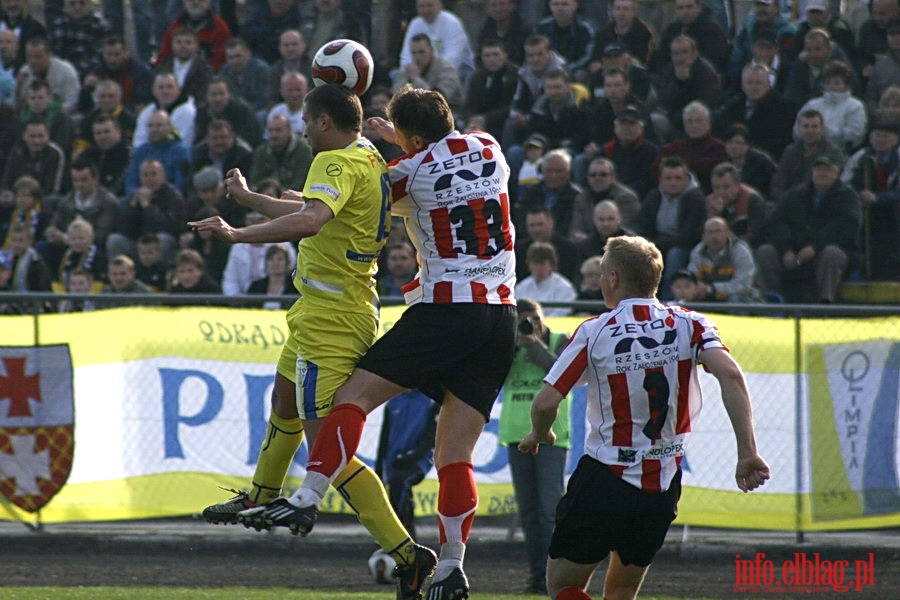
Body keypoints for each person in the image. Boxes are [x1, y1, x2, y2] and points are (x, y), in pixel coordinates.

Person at [234, 85, 517, 600]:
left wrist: (253, 204)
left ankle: (309, 493)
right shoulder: (488, 145)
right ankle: (452, 564)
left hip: (445, 310)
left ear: (407, 138)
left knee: (351, 400)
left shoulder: (404, 175)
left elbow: (349, 200)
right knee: (454, 455)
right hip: (501, 317)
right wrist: (404, 138)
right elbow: (441, 153)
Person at [189, 83, 435, 599]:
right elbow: (313, 207)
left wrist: (237, 232)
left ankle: (408, 554)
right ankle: (262, 493)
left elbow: (312, 217)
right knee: (283, 397)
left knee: (329, 447)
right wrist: (250, 198)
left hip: (334, 319)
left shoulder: (333, 162)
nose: (301, 130)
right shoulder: (366, 153)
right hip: (320, 309)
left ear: (324, 122)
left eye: (304, 120)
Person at [518, 234, 771, 600]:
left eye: (604, 273)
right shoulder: (691, 323)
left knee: (563, 585)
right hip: (661, 483)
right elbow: (731, 374)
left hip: (604, 476)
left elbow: (544, 403)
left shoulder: (594, 330)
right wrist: (747, 451)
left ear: (614, 279)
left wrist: (541, 433)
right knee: (621, 593)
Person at [498, 297, 570, 595]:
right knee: (529, 513)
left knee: (550, 509)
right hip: (517, 436)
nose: (530, 325)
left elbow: (561, 375)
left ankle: (559, 576)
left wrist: (532, 344)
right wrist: (513, 345)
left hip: (551, 436)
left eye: (535, 319)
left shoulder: (559, 341)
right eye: (523, 320)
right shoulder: (507, 346)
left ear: (544, 318)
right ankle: (537, 576)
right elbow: (493, 379)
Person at [755, 154, 861, 303]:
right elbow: (777, 223)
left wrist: (814, 247)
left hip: (827, 252)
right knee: (765, 252)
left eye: (827, 170)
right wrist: (786, 250)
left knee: (832, 254)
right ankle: (770, 302)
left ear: (837, 173)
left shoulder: (848, 197)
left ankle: (826, 303)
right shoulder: (794, 195)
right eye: (818, 170)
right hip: (793, 251)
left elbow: (844, 229)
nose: (822, 174)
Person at [374, 389, 439, 539]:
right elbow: (384, 440)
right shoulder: (393, 401)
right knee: (395, 493)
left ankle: (397, 537)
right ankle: (407, 538)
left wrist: (411, 457)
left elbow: (430, 438)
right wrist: (379, 470)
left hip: (418, 461)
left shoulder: (431, 401)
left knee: (399, 483)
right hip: (393, 461)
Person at [684, 217, 762, 302]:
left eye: (718, 231)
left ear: (728, 233)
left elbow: (743, 285)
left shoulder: (741, 252)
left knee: (735, 299)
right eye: (710, 232)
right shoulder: (698, 252)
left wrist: (712, 288)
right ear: (704, 236)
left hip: (743, 297)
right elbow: (692, 278)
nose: (714, 236)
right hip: (710, 295)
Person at [391, 33, 464, 114]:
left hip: (448, 114)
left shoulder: (447, 69)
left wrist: (416, 79)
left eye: (421, 52)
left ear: (431, 51)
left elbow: (439, 100)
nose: (417, 57)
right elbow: (394, 97)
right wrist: (407, 79)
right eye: (414, 53)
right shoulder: (409, 70)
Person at [706, 163, 766, 246]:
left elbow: (755, 235)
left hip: (747, 246)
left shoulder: (753, 200)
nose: (721, 192)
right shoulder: (710, 202)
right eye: (716, 187)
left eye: (726, 187)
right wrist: (715, 215)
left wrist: (732, 243)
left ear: (737, 185)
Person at [250, 114, 313, 191]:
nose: (274, 135)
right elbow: (255, 182)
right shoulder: (261, 152)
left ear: (289, 131)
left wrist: (278, 192)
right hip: (266, 197)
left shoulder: (303, 150)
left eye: (278, 130)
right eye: (270, 130)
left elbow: (301, 183)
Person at [516, 241, 577, 316]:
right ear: (529, 264)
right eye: (535, 263)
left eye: (542, 264)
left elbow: (562, 312)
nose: (538, 268)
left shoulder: (565, 288)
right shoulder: (521, 287)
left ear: (552, 264)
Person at [246, 242, 298, 309]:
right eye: (271, 259)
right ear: (266, 263)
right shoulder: (255, 287)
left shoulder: (295, 288)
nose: (275, 263)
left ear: (287, 263)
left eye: (280, 259)